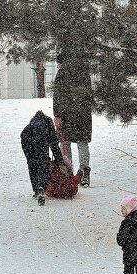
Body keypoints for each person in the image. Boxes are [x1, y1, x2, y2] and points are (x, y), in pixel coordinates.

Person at [52, 56, 94, 187]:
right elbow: (89, 94)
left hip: (67, 113)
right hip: (83, 113)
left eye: (57, 64)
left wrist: (57, 115)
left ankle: (67, 171)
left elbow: (57, 95)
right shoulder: (83, 71)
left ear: (61, 62)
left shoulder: (62, 73)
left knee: (66, 142)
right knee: (82, 142)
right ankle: (84, 172)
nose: (57, 66)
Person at [20, 111, 65, 206]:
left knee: (32, 165)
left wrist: (29, 155)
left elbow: (24, 134)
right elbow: (54, 146)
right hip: (39, 139)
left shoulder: (32, 122)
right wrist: (60, 163)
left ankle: (36, 190)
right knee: (43, 164)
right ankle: (41, 187)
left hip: (26, 139)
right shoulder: (48, 123)